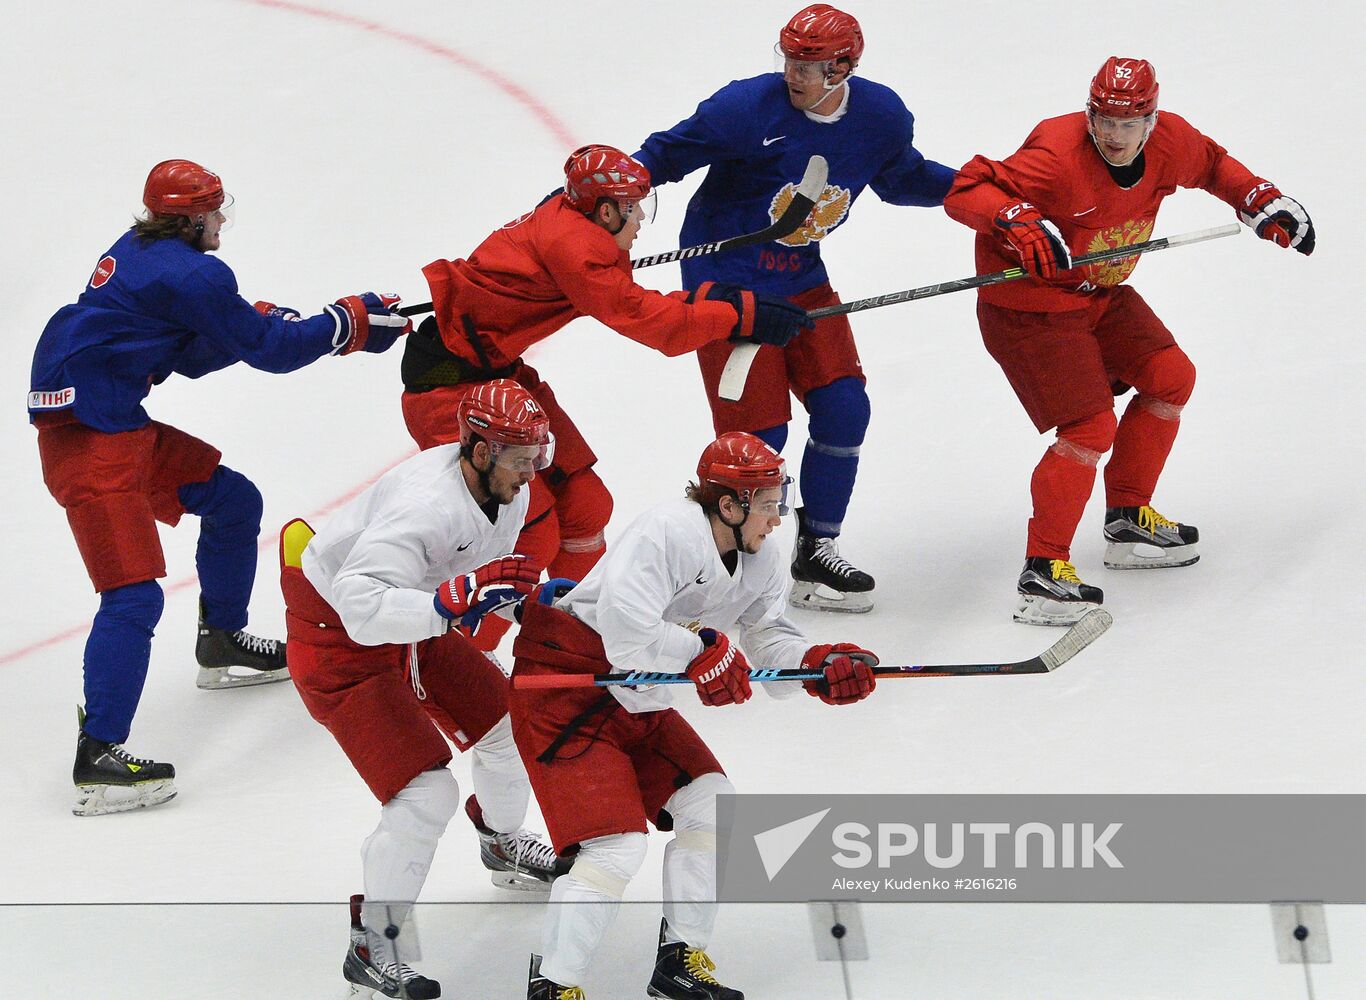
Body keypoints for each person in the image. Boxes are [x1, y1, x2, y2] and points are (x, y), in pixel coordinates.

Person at [29, 159, 411, 816]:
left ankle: (222, 640)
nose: (222, 221)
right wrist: (339, 325)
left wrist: (259, 325)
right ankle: (99, 755)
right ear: (194, 217)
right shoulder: (195, 272)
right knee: (132, 598)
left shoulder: (142, 252)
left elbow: (192, 351)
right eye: (216, 211)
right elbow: (271, 352)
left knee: (234, 502)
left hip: (110, 426)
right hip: (94, 450)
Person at [942, 57, 1315, 625]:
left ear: (1151, 118)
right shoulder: (1056, 155)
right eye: (1103, 120)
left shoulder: (1170, 141)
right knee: (1090, 429)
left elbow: (1214, 165)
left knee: (1171, 377)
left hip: (1100, 293)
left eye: (1128, 122)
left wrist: (1260, 198)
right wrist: (1013, 218)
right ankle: (1043, 572)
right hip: (1031, 308)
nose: (1114, 135)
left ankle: (1127, 516)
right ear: (1090, 114)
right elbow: (966, 189)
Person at [400, 145, 812, 658]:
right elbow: (652, 324)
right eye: (633, 206)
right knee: (533, 531)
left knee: (587, 507)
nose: (641, 217)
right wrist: (739, 314)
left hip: (498, 375)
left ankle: (572, 639)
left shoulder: (578, 223)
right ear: (605, 210)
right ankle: (462, 660)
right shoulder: (574, 247)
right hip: (450, 390)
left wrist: (721, 301)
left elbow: (630, 296)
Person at [509, 432, 880, 1000]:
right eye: (767, 502)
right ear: (727, 505)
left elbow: (768, 640)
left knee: (714, 809)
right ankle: (554, 986)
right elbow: (626, 634)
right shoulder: (667, 532)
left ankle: (679, 961)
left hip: (640, 696)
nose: (778, 517)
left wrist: (814, 665)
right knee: (615, 847)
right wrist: (703, 649)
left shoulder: (762, 556)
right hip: (569, 691)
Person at [633, 4, 957, 614]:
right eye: (789, 58)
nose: (793, 73)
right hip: (727, 293)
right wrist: (597, 201)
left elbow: (902, 177)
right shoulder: (744, 109)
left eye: (809, 63)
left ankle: (817, 553)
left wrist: (981, 188)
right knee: (758, 444)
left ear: (845, 66)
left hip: (804, 284)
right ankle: (725, 576)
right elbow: (663, 155)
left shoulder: (880, 116)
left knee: (844, 407)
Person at [281, 380, 573, 1000]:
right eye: (520, 458)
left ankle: (502, 844)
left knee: (508, 722)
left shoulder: (505, 490)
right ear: (480, 449)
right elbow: (362, 611)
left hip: (412, 615)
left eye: (534, 457)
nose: (530, 473)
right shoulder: (424, 504)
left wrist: (524, 602)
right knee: (425, 793)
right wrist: (448, 603)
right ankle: (373, 945)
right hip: (337, 633)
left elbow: (461, 585)